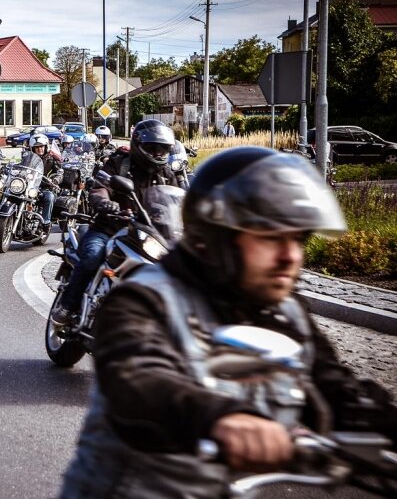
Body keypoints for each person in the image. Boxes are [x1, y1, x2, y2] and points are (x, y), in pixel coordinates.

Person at [59, 146, 397, 498]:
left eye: (297, 239)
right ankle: (69, 307)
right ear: (217, 234)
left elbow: (334, 387)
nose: (290, 256)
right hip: (126, 490)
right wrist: (222, 418)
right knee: (91, 255)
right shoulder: (143, 301)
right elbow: (138, 379)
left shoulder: (284, 312)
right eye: (270, 238)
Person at [50, 119, 181, 327]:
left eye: (163, 149)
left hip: (148, 235)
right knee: (93, 257)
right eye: (153, 148)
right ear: (139, 146)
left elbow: (179, 200)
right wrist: (105, 203)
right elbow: (100, 188)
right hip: (109, 229)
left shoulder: (166, 174)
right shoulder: (119, 163)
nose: (158, 154)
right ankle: (67, 307)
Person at [26, 134, 63, 234]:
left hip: (46, 187)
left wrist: (55, 180)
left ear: (46, 147)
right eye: (37, 147)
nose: (40, 149)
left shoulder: (51, 159)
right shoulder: (28, 158)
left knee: (49, 197)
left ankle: (46, 222)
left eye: (41, 146)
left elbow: (60, 172)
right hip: (30, 187)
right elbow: (21, 167)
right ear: (33, 148)